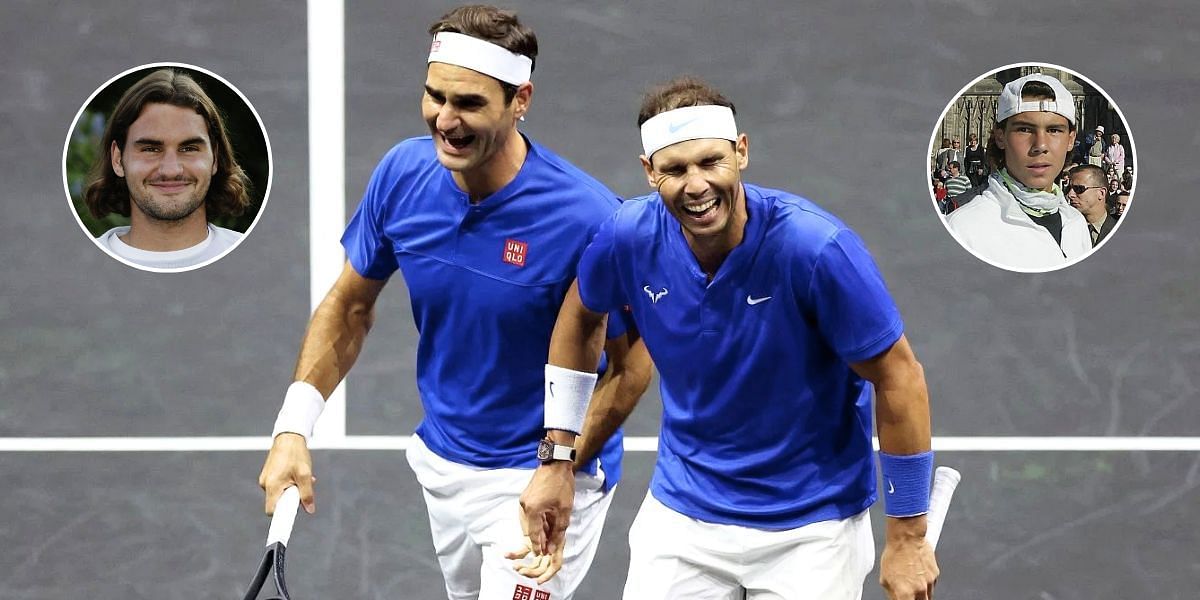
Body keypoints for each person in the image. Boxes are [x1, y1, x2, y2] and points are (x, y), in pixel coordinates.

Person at [257, 6, 652, 600]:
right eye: (434, 96)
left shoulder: (588, 219)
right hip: (444, 465)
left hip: (542, 469)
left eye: (468, 103)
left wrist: (559, 466)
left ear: (521, 100)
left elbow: (631, 366)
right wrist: (292, 429)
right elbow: (349, 307)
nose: (445, 120)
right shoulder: (402, 175)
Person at [518, 77, 937, 600]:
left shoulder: (815, 250)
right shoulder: (627, 236)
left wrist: (908, 535)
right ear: (649, 173)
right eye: (674, 169)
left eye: (709, 162)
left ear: (741, 152)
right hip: (683, 514)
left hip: (810, 527)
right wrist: (557, 459)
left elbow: (898, 376)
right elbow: (581, 318)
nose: (695, 185)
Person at [82, 68, 251, 269]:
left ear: (214, 158)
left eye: (189, 148)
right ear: (118, 159)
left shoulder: (258, 260)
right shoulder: (79, 267)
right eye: (151, 149)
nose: (171, 170)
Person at [945, 73, 1090, 271]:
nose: (1040, 145)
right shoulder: (964, 230)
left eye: (1054, 130)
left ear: (1071, 139)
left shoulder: (1076, 223)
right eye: (1025, 129)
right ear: (1000, 137)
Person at [1066, 164, 1117, 246]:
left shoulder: (1120, 232)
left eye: (1079, 189)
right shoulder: (1064, 229)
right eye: (1069, 188)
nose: (1070, 194)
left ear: (1101, 193)